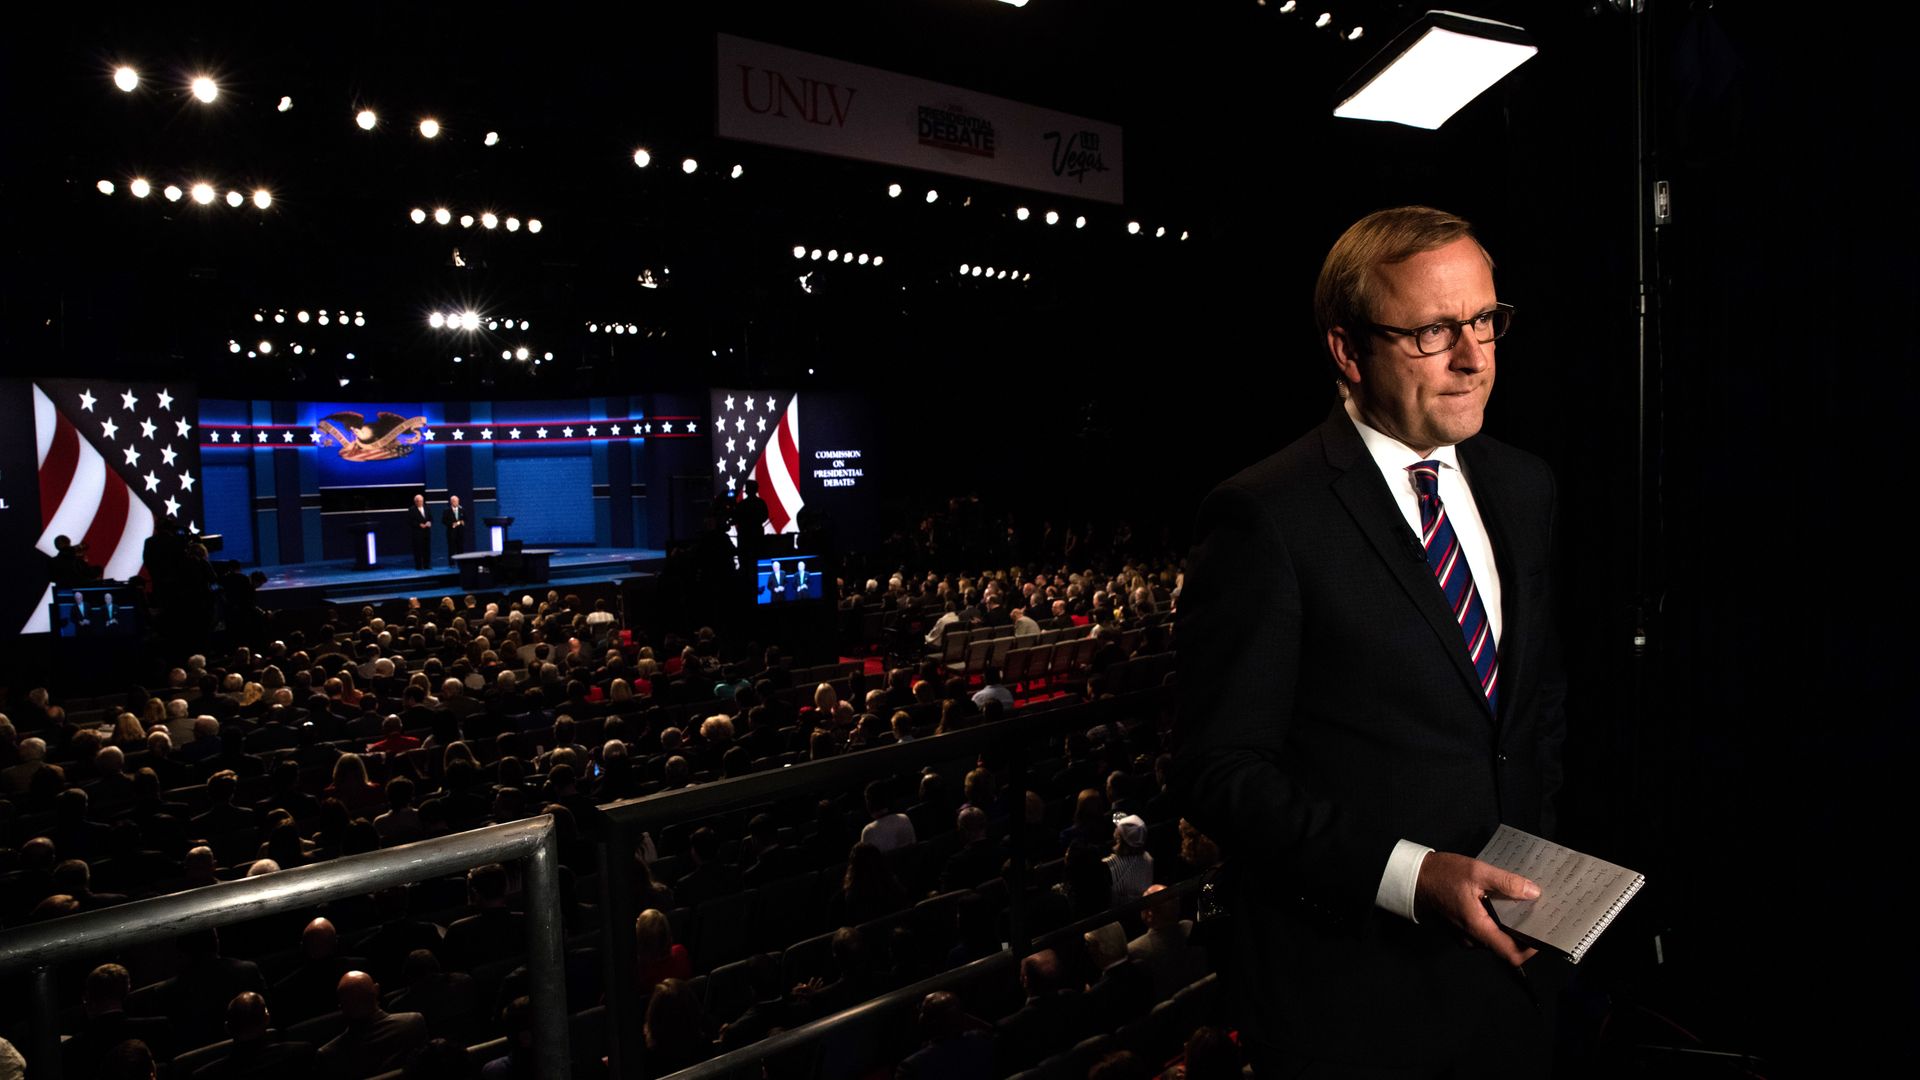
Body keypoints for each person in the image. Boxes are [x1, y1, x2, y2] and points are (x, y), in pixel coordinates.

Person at [1175, 205, 1567, 1077]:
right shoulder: (1265, 516)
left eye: (1483, 322)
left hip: (1518, 980)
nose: (1473, 358)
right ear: (1349, 351)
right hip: (1356, 1001)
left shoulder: (1523, 484)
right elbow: (1220, 771)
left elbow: (1530, 710)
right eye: (1433, 332)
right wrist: (1413, 875)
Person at [409, 493, 434, 571]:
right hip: (417, 533)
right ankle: (419, 565)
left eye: (421, 501)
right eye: (419, 501)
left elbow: (431, 518)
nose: (420, 502)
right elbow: (410, 521)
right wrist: (419, 525)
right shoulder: (412, 509)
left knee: (427, 549)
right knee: (418, 549)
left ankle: (427, 565)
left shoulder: (427, 508)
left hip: (426, 532)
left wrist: (429, 522)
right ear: (415, 502)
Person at [442, 495, 467, 565]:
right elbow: (444, 521)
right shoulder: (446, 511)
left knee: (460, 548)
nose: (457, 503)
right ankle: (451, 563)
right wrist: (452, 524)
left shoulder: (462, 510)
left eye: (457, 501)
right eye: (455, 501)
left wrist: (462, 522)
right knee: (451, 549)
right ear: (452, 502)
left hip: (460, 533)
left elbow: (465, 519)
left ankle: (461, 563)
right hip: (451, 533)